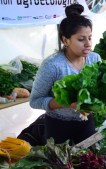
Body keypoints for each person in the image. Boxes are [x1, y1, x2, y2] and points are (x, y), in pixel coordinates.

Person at [30, 4, 101, 144]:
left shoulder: (95, 59)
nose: (88, 44)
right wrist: (65, 103)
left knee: (88, 161)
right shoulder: (52, 65)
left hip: (87, 123)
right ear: (65, 40)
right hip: (57, 126)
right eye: (81, 39)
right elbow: (35, 101)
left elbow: (99, 90)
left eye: (90, 38)